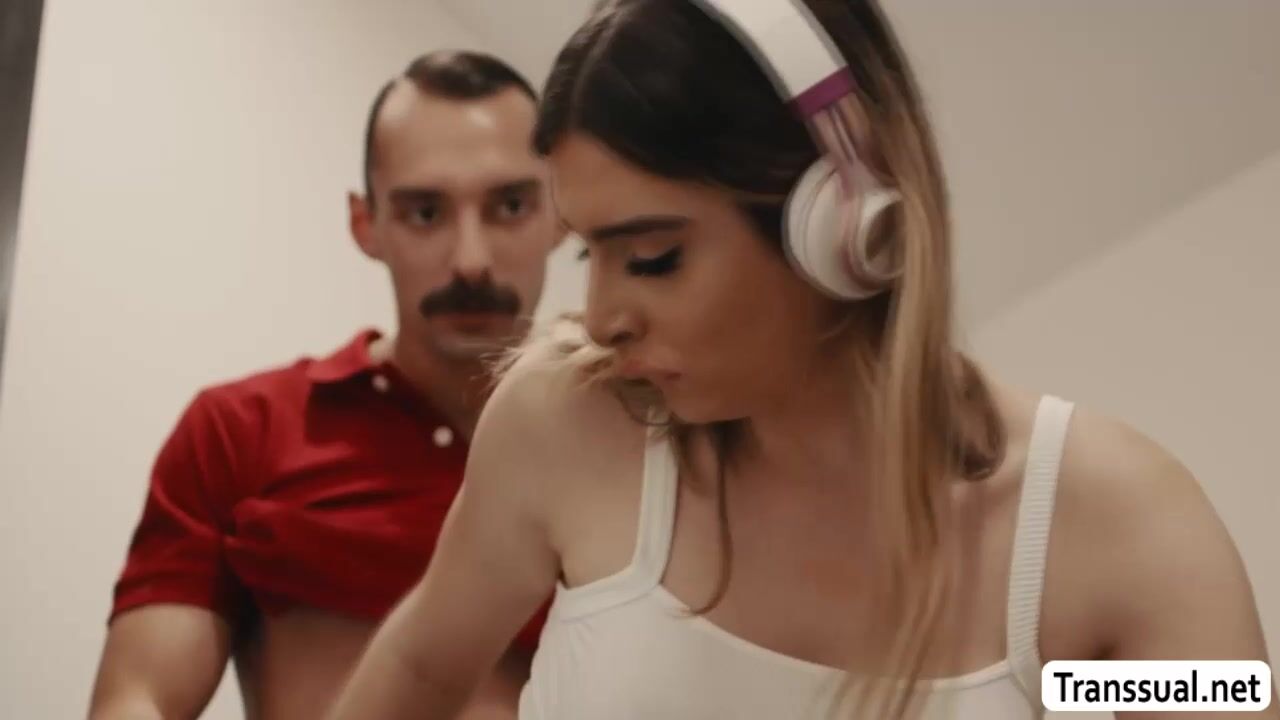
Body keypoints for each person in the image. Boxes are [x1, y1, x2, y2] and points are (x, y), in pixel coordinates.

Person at [327, 2, 1276, 719]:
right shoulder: (568, 427)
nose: (603, 316)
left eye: (652, 257)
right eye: (590, 253)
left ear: (844, 227)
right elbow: (422, 668)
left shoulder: (1110, 530)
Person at [87, 50, 560, 720]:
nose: (471, 260)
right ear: (366, 225)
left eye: (509, 205)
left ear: (562, 211)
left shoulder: (628, 445)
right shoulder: (240, 430)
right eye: (425, 212)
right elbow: (140, 700)